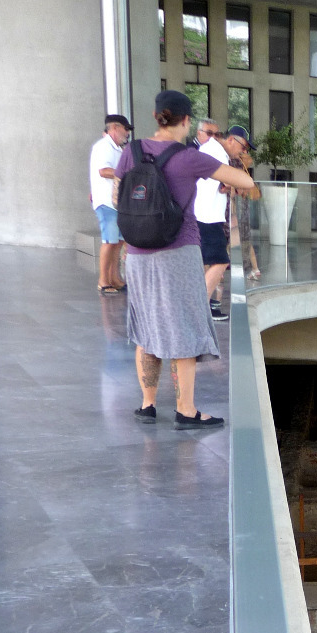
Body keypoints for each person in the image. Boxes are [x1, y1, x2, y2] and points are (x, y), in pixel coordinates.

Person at [114, 90, 253, 429]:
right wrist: (236, 164)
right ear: (187, 121)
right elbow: (245, 181)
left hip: (137, 253)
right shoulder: (189, 157)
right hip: (178, 251)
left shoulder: (131, 152)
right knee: (184, 329)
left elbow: (118, 195)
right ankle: (186, 410)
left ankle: (147, 405)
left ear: (156, 115)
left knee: (145, 327)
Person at [89, 113, 131, 294]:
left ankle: (114, 278)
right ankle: (103, 280)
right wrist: (128, 173)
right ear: (115, 128)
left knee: (118, 242)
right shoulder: (103, 146)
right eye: (125, 129)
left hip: (116, 202)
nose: (127, 133)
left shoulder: (117, 149)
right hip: (106, 202)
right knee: (109, 241)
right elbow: (103, 171)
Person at [193, 122, 230, 320]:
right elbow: (226, 182)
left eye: (218, 133)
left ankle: (203, 303)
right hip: (207, 216)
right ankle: (201, 307)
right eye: (210, 133)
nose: (214, 136)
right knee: (220, 260)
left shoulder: (205, 150)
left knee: (207, 261)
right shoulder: (213, 150)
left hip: (203, 214)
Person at [229, 143, 261, 281]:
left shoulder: (235, 164)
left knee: (232, 239)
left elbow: (234, 190)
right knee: (246, 240)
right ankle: (255, 268)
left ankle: (224, 270)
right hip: (244, 206)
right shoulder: (244, 167)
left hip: (236, 207)